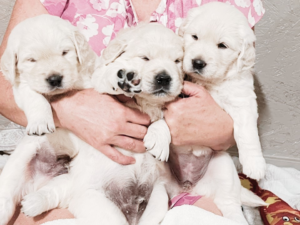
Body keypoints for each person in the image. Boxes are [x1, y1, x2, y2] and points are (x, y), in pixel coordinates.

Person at [0, 0, 264, 223]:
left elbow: (236, 94)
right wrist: (69, 110)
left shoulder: (223, 12)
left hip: (167, 176)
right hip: (76, 167)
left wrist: (213, 127)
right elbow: (4, 83)